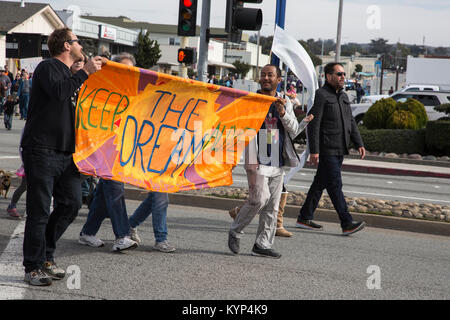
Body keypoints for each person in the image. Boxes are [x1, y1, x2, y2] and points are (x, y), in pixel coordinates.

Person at [20, 27, 103, 286]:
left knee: (71, 203)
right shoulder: (48, 68)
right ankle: (33, 265)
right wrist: (85, 73)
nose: (81, 46)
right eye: (77, 41)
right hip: (42, 149)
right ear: (67, 46)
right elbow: (58, 92)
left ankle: (46, 254)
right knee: (40, 210)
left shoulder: (72, 75)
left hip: (68, 153)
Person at [227, 64, 313, 259]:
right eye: (263, 75)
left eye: (270, 75)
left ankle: (262, 244)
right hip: (255, 157)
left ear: (278, 80)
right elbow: (238, 127)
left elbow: (293, 130)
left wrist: (282, 113)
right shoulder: (252, 101)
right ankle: (236, 230)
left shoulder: (285, 102)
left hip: (277, 158)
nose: (266, 78)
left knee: (273, 206)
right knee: (259, 199)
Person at [295, 62, 366, 236]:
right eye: (339, 74)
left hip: (340, 149)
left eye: (343, 74)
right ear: (328, 76)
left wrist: (359, 143)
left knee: (320, 183)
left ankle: (304, 217)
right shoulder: (322, 95)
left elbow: (350, 122)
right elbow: (313, 124)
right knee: (335, 184)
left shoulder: (343, 97)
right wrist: (314, 150)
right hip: (327, 149)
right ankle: (347, 222)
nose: (343, 77)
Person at [78, 52, 138, 252]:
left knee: (105, 193)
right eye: (121, 69)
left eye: (129, 70)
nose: (126, 73)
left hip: (121, 150)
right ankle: (122, 236)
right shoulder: (103, 88)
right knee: (115, 190)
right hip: (105, 150)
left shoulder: (133, 92)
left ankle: (88, 232)